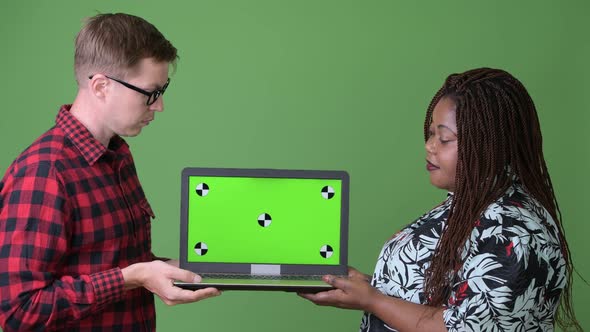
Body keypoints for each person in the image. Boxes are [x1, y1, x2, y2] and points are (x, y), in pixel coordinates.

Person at [299, 68, 581, 331]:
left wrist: (373, 300)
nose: (429, 146)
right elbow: (449, 293)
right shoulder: (468, 204)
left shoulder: (513, 232)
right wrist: (372, 287)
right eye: (431, 134)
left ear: (486, 145)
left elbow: (461, 326)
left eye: (444, 139)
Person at [0, 13, 220, 331]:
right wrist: (131, 278)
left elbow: (110, 264)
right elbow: (17, 310)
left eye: (162, 91)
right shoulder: (43, 174)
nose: (159, 106)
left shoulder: (116, 156)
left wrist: (163, 268)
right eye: (150, 93)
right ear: (102, 86)